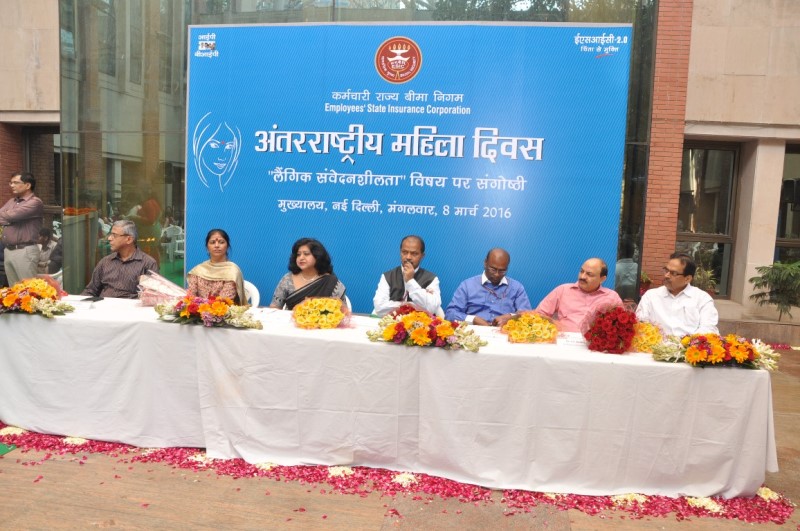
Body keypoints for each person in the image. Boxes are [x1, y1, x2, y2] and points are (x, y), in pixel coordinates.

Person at [635, 252, 719, 336]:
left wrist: (686, 342)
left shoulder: (702, 299)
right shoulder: (651, 296)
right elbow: (640, 323)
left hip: (689, 343)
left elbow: (708, 329)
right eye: (666, 270)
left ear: (687, 279)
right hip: (656, 343)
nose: (667, 275)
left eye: (673, 273)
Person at [445, 248, 531, 326]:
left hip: (505, 333)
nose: (497, 274)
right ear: (485, 263)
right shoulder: (467, 286)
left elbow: (528, 315)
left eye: (502, 271)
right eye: (493, 269)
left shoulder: (517, 288)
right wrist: (473, 319)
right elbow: (450, 314)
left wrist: (510, 317)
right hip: (473, 333)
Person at [535, 257, 623, 332]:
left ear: (602, 279)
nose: (582, 277)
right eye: (581, 271)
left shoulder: (612, 297)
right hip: (564, 340)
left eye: (589, 274)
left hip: (595, 344)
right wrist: (553, 324)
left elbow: (622, 325)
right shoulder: (563, 290)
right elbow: (538, 315)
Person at [82, 220, 158, 299]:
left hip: (131, 306)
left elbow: (152, 296)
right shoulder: (105, 262)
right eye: (110, 234)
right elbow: (91, 290)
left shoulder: (148, 264)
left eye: (114, 235)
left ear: (129, 239)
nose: (109, 238)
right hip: (104, 305)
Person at [372, 235, 442, 316]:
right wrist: (408, 305)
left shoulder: (431, 279)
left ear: (422, 256)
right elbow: (379, 307)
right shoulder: (387, 276)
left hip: (420, 323)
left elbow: (432, 308)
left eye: (414, 254)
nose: (408, 257)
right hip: (391, 322)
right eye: (404, 252)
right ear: (400, 252)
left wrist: (410, 281)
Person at [270, 237, 346, 310]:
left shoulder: (331, 282)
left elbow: (343, 312)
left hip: (322, 319)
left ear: (318, 256)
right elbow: (274, 308)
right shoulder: (287, 279)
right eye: (298, 254)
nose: (301, 258)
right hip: (291, 319)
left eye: (306, 254)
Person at [0, 172, 43, 285]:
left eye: (16, 182)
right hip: (8, 251)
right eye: (11, 182)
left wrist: (10, 217)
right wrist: (10, 218)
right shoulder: (11, 201)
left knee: (28, 290)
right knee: (14, 290)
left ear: (27, 185)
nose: (12, 185)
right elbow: (5, 217)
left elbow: (12, 216)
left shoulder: (35, 202)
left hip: (25, 251)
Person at [186, 228, 246, 304]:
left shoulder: (232, 271)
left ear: (227, 246)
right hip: (198, 310)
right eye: (212, 242)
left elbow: (223, 301)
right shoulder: (198, 270)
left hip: (223, 310)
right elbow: (191, 296)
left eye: (221, 242)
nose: (217, 245)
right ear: (207, 247)